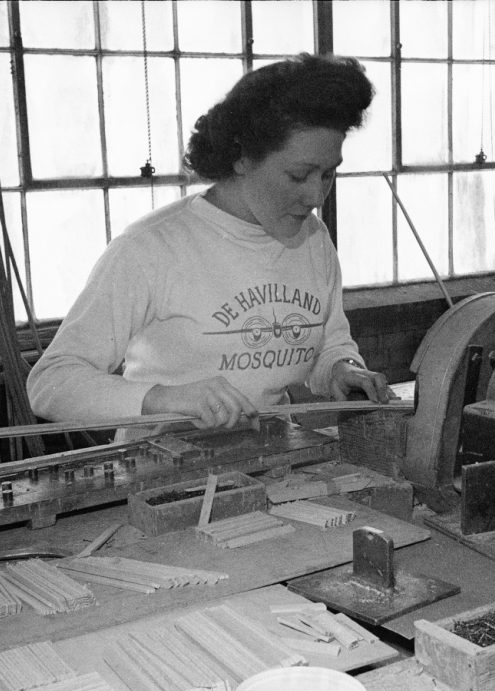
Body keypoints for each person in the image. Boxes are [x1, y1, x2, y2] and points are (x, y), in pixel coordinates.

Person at [27, 53, 393, 438]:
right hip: (163, 470)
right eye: (299, 175)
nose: (316, 195)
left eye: (328, 174)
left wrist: (342, 368)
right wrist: (162, 398)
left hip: (273, 459)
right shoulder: (152, 248)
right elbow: (52, 382)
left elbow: (327, 343)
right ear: (241, 158)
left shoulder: (313, 241)